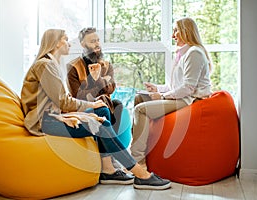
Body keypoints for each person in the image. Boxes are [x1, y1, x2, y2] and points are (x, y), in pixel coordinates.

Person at [21, 28, 171, 190]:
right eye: (65, 39)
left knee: (102, 112)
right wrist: (91, 104)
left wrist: (93, 103)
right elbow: (64, 101)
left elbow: (106, 89)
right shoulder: (46, 65)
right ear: (56, 43)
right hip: (46, 122)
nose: (68, 43)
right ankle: (141, 175)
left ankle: (107, 170)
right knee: (102, 124)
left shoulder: (52, 64)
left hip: (54, 117)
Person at [131, 17, 213, 170]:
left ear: (186, 32)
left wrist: (161, 96)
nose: (173, 35)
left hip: (189, 100)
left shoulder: (194, 53)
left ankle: (138, 162)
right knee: (139, 98)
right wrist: (157, 88)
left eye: (176, 30)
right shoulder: (182, 53)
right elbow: (174, 86)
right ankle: (139, 148)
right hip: (182, 97)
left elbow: (188, 88)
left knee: (139, 110)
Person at [67, 27, 122, 133]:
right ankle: (109, 145)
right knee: (103, 107)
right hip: (84, 106)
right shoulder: (73, 67)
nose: (97, 44)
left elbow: (111, 89)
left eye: (98, 40)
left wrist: (98, 79)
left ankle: (111, 141)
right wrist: (100, 86)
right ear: (83, 44)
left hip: (104, 103)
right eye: (93, 41)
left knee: (117, 104)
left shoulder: (107, 65)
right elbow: (77, 96)